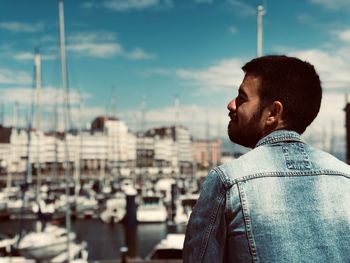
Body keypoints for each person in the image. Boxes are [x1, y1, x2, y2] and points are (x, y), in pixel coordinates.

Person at [183, 55, 350, 263]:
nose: (231, 105)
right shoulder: (346, 178)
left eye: (242, 98)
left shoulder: (228, 181)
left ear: (272, 112)